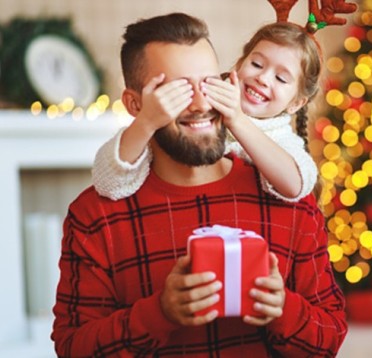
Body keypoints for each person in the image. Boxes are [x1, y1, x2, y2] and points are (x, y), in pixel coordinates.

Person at [51, 12, 347, 357]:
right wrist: (157, 314)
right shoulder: (95, 216)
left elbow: (328, 341)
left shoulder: (287, 198)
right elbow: (74, 349)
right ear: (135, 105)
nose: (200, 102)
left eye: (208, 83)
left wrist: (283, 311)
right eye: (175, 91)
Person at [92, 19, 322, 203]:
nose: (262, 78)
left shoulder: (280, 136)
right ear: (239, 64)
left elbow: (295, 186)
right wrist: (146, 121)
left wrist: (238, 121)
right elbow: (108, 180)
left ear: (296, 103)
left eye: (281, 78)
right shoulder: (198, 106)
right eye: (257, 65)